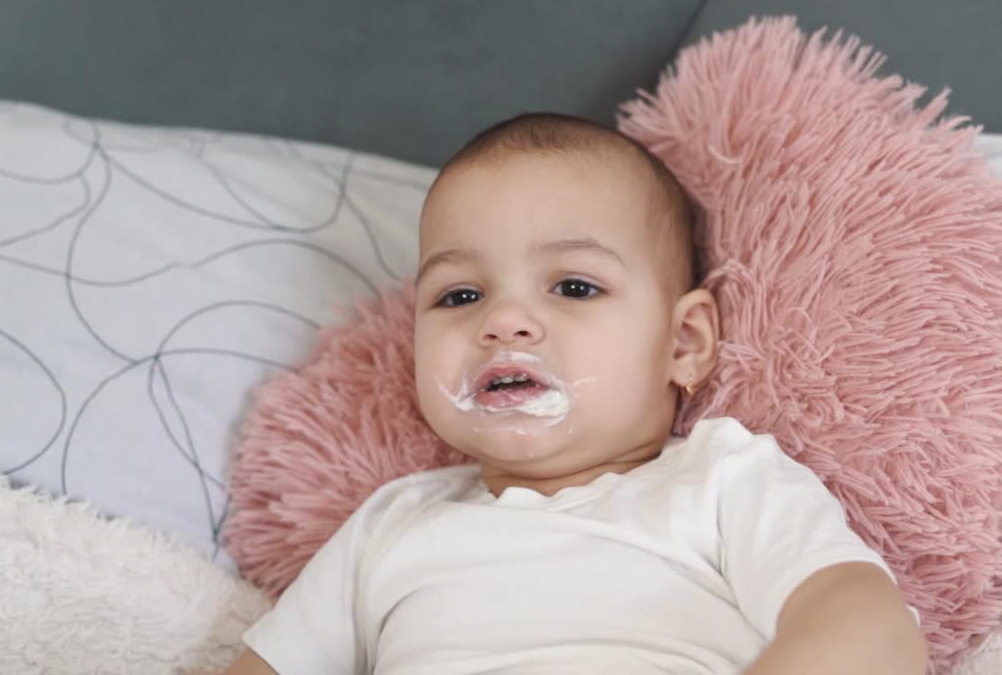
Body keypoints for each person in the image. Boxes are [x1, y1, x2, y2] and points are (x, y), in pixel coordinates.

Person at [222, 113, 926, 675]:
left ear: (683, 344)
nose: (503, 321)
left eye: (574, 286)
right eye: (460, 295)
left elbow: (867, 625)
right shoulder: (391, 526)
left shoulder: (723, 480)